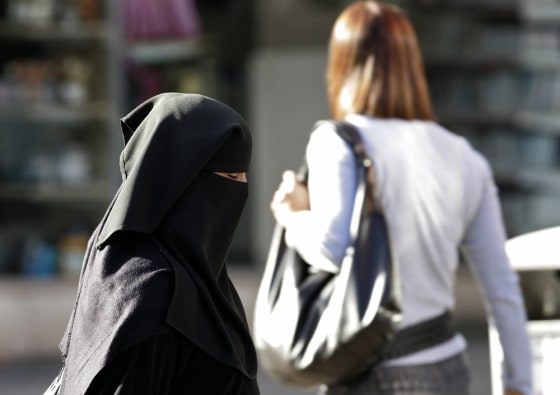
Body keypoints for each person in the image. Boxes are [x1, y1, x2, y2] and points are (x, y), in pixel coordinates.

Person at [269, 2, 532, 395]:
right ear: (412, 65)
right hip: (448, 368)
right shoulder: (463, 155)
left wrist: (293, 216)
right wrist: (518, 383)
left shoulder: (338, 142)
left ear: (342, 63)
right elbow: (501, 287)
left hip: (372, 373)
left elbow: (331, 249)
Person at [49, 93, 259, 394]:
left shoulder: (198, 278)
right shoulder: (155, 295)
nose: (242, 188)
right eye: (230, 174)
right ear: (183, 181)